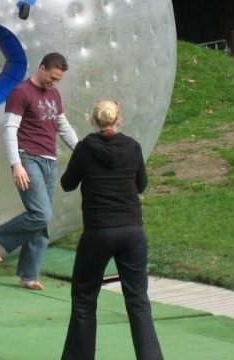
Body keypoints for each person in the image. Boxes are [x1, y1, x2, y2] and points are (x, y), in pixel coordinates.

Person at [60, 100, 165, 360]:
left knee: (84, 298)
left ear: (92, 121)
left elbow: (67, 184)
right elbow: (141, 185)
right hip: (131, 231)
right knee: (138, 299)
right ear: (119, 120)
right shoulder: (133, 147)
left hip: (98, 233)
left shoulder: (84, 149)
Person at [0, 52, 79, 290]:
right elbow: (9, 130)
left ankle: (29, 275)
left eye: (59, 80)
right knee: (41, 214)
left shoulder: (54, 94)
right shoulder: (20, 93)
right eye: (53, 77)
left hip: (49, 160)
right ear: (42, 68)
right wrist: (16, 164)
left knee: (41, 221)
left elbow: (62, 126)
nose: (55, 83)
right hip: (28, 159)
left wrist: (82, 150)